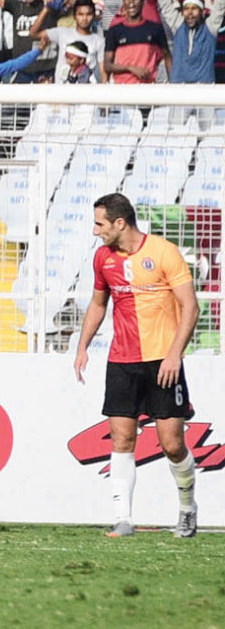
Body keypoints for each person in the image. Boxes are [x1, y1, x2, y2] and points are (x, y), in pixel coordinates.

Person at [71, 192, 199, 538]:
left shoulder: (163, 252)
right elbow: (99, 304)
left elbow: (191, 306)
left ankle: (187, 507)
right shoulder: (102, 258)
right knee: (121, 438)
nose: (95, 231)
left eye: (100, 224)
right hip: (122, 361)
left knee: (172, 444)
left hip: (163, 361)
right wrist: (82, 346)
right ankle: (123, 518)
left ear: (119, 223)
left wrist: (175, 353)